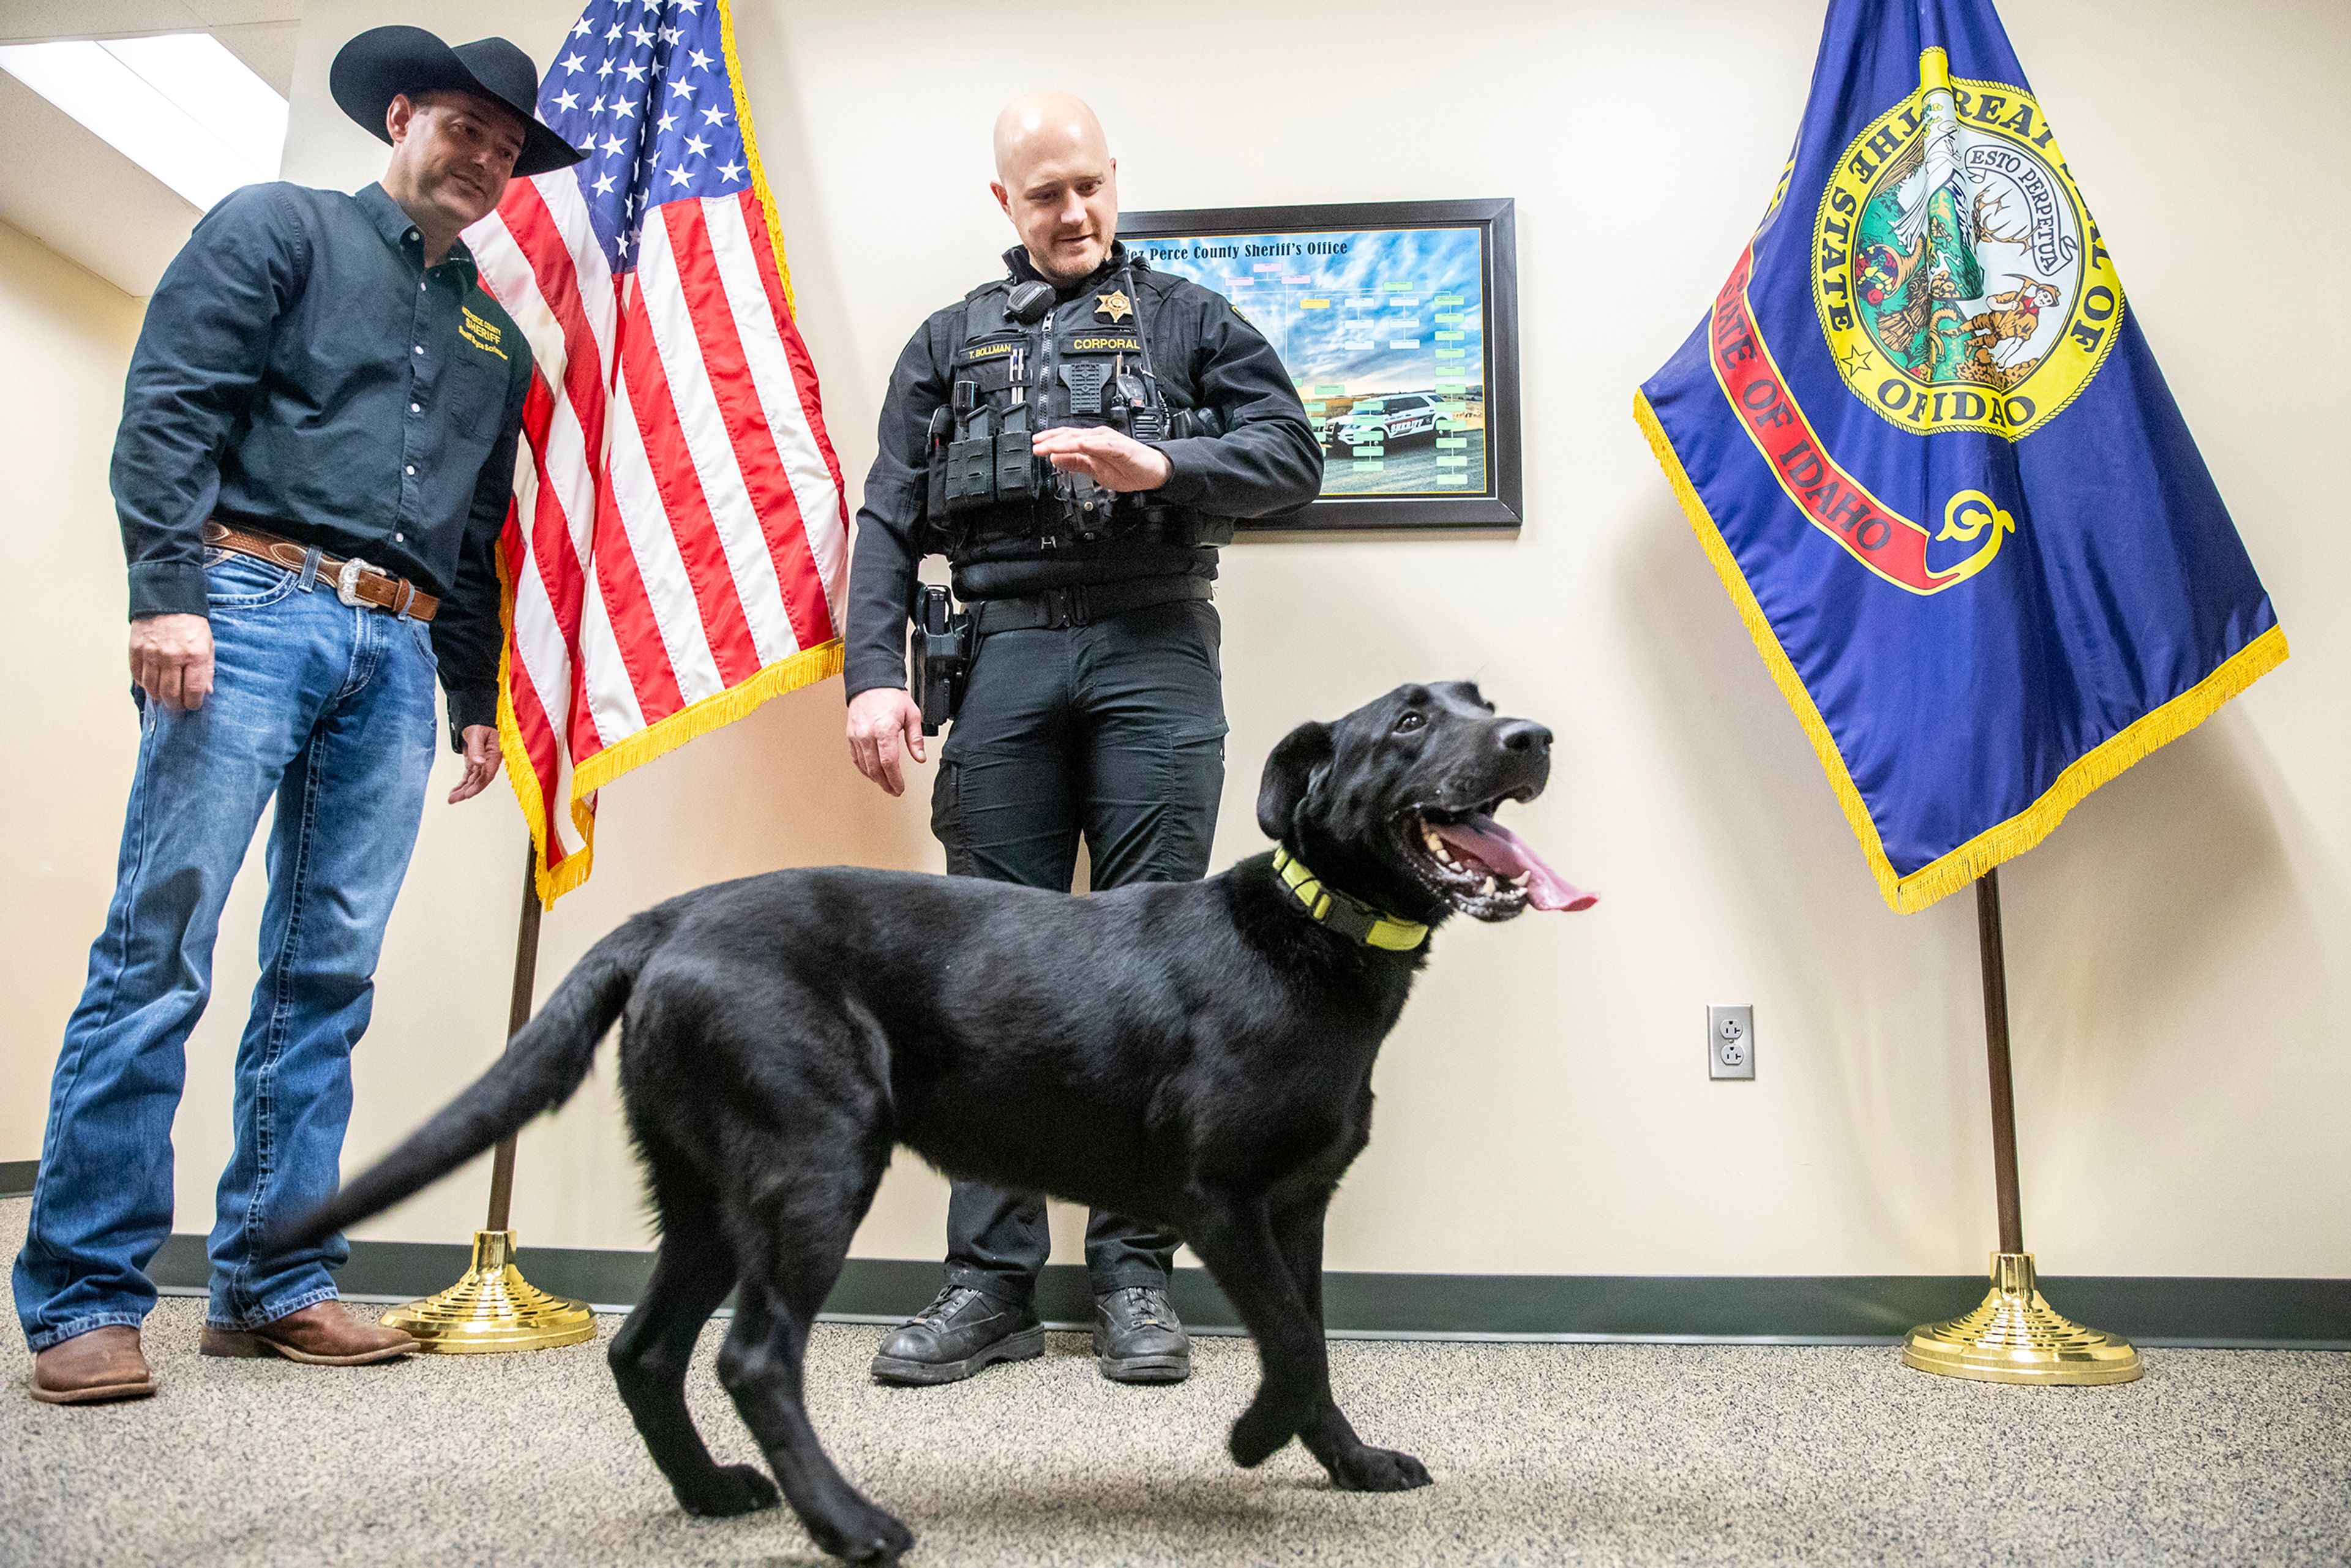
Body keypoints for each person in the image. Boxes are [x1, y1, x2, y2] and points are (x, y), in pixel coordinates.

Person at [15, 26, 584, 1405]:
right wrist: (167, 595)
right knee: (162, 948)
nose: (485, 162)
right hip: (246, 603)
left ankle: (273, 1282)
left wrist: (469, 700)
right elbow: (170, 409)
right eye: (465, 131)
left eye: (507, 155)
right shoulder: (273, 228)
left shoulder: (492, 338)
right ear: (401, 116)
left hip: (393, 655)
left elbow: (477, 533)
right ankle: (85, 1300)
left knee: (327, 974)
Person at [842, 91, 1322, 1387]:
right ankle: (988, 1286)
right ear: (1006, 202)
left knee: (1162, 972)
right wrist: (870, 678)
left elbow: (1293, 455)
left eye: (1092, 187)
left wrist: (1161, 467)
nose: (1076, 213)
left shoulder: (1192, 323)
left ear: (1118, 180)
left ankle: (1132, 1280)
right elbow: (888, 519)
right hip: (997, 660)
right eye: (1046, 194)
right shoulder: (946, 341)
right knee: (982, 981)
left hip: (1154, 650)